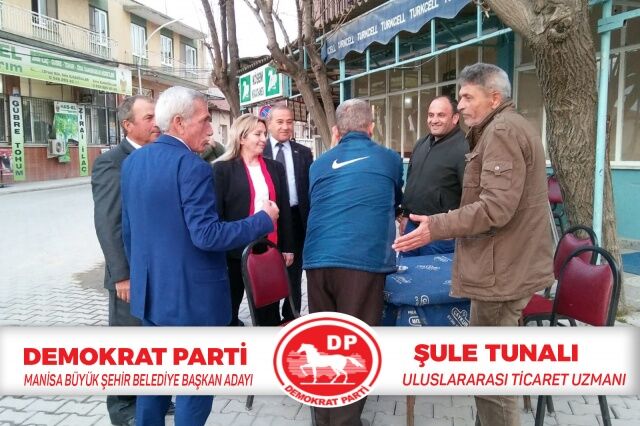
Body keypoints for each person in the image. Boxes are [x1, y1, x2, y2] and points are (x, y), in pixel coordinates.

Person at [393, 63, 554, 426]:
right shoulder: (505, 126)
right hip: (507, 265)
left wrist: (438, 225)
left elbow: (495, 208)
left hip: (500, 273)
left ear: (493, 98)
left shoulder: (501, 131)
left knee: (491, 380)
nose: (461, 104)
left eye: (467, 96)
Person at [121, 86, 279, 426]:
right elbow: (206, 235)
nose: (211, 129)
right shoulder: (192, 167)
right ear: (179, 123)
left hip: (153, 297)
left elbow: (130, 232)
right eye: (205, 120)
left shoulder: (134, 162)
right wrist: (262, 219)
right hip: (191, 304)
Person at [303, 98, 403, 426]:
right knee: (354, 345)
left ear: (336, 131)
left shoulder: (318, 164)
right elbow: (396, 199)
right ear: (371, 127)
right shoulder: (389, 159)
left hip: (317, 262)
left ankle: (323, 419)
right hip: (362, 262)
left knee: (323, 341)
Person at [91, 95, 160, 426]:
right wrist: (121, 275)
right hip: (129, 275)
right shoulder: (112, 162)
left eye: (156, 116)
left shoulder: (156, 156)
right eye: (148, 118)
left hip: (157, 269)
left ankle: (152, 399)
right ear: (127, 125)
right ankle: (122, 408)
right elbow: (109, 222)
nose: (156, 123)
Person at [213, 113, 294, 326]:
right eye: (257, 134)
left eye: (264, 134)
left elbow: (284, 209)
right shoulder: (222, 169)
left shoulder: (275, 168)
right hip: (233, 252)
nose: (263, 139)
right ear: (241, 138)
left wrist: (287, 247)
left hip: (266, 250)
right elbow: (217, 214)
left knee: (268, 311)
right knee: (228, 310)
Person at [398, 96, 468, 256]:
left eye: (441, 115)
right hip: (412, 228)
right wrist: (406, 215)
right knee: (407, 270)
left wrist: (453, 228)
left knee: (434, 272)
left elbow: (470, 195)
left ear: (455, 118)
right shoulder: (421, 144)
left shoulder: (465, 148)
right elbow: (412, 181)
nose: (434, 120)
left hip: (440, 235)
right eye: (431, 115)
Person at [263, 103, 313, 322]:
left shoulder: (303, 153)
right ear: (269, 124)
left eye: (289, 122)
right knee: (269, 272)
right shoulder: (260, 149)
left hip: (296, 219)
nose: (285, 126)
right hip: (268, 220)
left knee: (294, 272)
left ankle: (291, 316)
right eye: (280, 122)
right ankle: (270, 318)